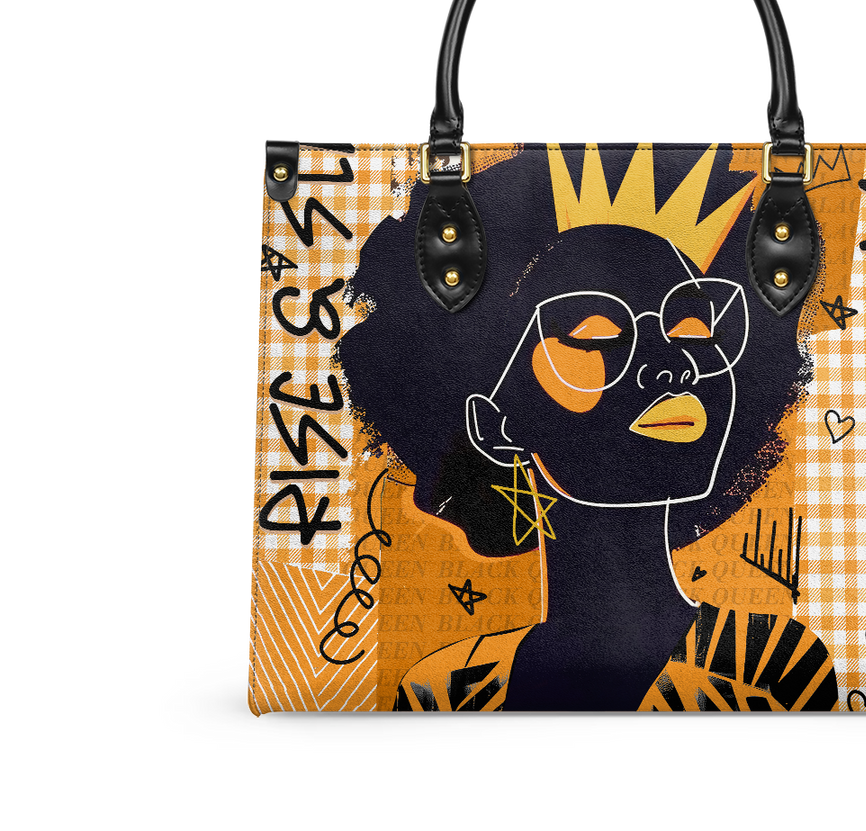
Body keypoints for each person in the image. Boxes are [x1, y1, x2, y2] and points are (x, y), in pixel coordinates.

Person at [339, 141, 839, 713]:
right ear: (495, 422)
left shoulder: (773, 667)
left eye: (693, 331)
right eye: (597, 336)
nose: (674, 362)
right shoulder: (445, 690)